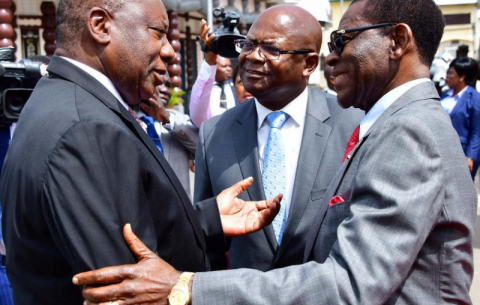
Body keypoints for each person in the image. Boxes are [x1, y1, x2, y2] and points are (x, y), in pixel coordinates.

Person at [74, 0, 477, 304]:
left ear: (397, 40)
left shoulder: (407, 131)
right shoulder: (397, 125)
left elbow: (351, 283)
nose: (335, 56)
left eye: (343, 39)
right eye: (248, 44)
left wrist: (187, 288)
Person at [0, 0, 282, 304]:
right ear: (100, 26)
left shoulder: (61, 99)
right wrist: (190, 291)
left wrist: (206, 219)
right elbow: (132, 286)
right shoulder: (87, 128)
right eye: (157, 33)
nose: (169, 51)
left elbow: (126, 227)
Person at [194, 5, 362, 271]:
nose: (252, 57)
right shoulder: (213, 133)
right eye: (248, 45)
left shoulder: (353, 125)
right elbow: (205, 241)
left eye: (271, 49)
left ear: (308, 63)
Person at [137, 71, 198, 198]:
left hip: (179, 209)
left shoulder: (179, 120)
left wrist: (167, 119)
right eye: (159, 83)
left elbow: (201, 148)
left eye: (168, 85)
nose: (165, 90)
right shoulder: (128, 119)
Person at [189, 20, 237, 127]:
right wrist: (209, 60)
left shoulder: (236, 87)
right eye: (224, 66)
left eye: (230, 66)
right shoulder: (204, 88)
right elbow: (197, 117)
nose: (229, 69)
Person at [441, 57, 480, 179]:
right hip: (441, 149)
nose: (446, 76)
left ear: (462, 76)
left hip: (460, 152)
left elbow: (476, 131)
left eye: (451, 73)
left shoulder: (474, 99)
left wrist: (470, 156)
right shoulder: (445, 94)